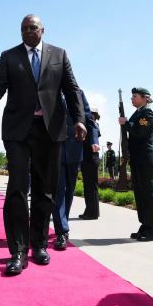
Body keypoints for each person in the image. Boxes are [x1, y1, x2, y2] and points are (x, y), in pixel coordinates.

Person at [0, 14, 85, 276]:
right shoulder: (9, 56)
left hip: (50, 129)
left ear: (42, 30)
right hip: (17, 131)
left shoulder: (59, 54)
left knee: (46, 190)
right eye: (23, 29)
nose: (27, 32)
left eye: (32, 28)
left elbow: (71, 89)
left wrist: (79, 120)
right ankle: (18, 250)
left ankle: (39, 245)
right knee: (17, 189)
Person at [54, 91, 98, 248]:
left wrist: (93, 140)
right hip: (54, 148)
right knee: (59, 189)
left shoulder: (77, 93)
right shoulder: (48, 88)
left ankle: (63, 221)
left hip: (74, 148)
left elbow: (88, 117)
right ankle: (62, 231)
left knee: (69, 190)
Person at [118, 87, 153, 242]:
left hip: (145, 159)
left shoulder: (147, 113)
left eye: (135, 96)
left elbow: (140, 131)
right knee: (140, 195)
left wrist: (126, 123)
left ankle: (151, 231)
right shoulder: (138, 113)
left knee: (148, 194)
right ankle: (144, 226)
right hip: (137, 159)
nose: (132, 98)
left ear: (144, 98)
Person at [78, 106, 101, 221]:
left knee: (91, 186)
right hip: (86, 158)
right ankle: (89, 210)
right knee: (87, 186)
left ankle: (93, 212)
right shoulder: (91, 126)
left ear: (92, 116)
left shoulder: (93, 126)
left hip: (91, 158)